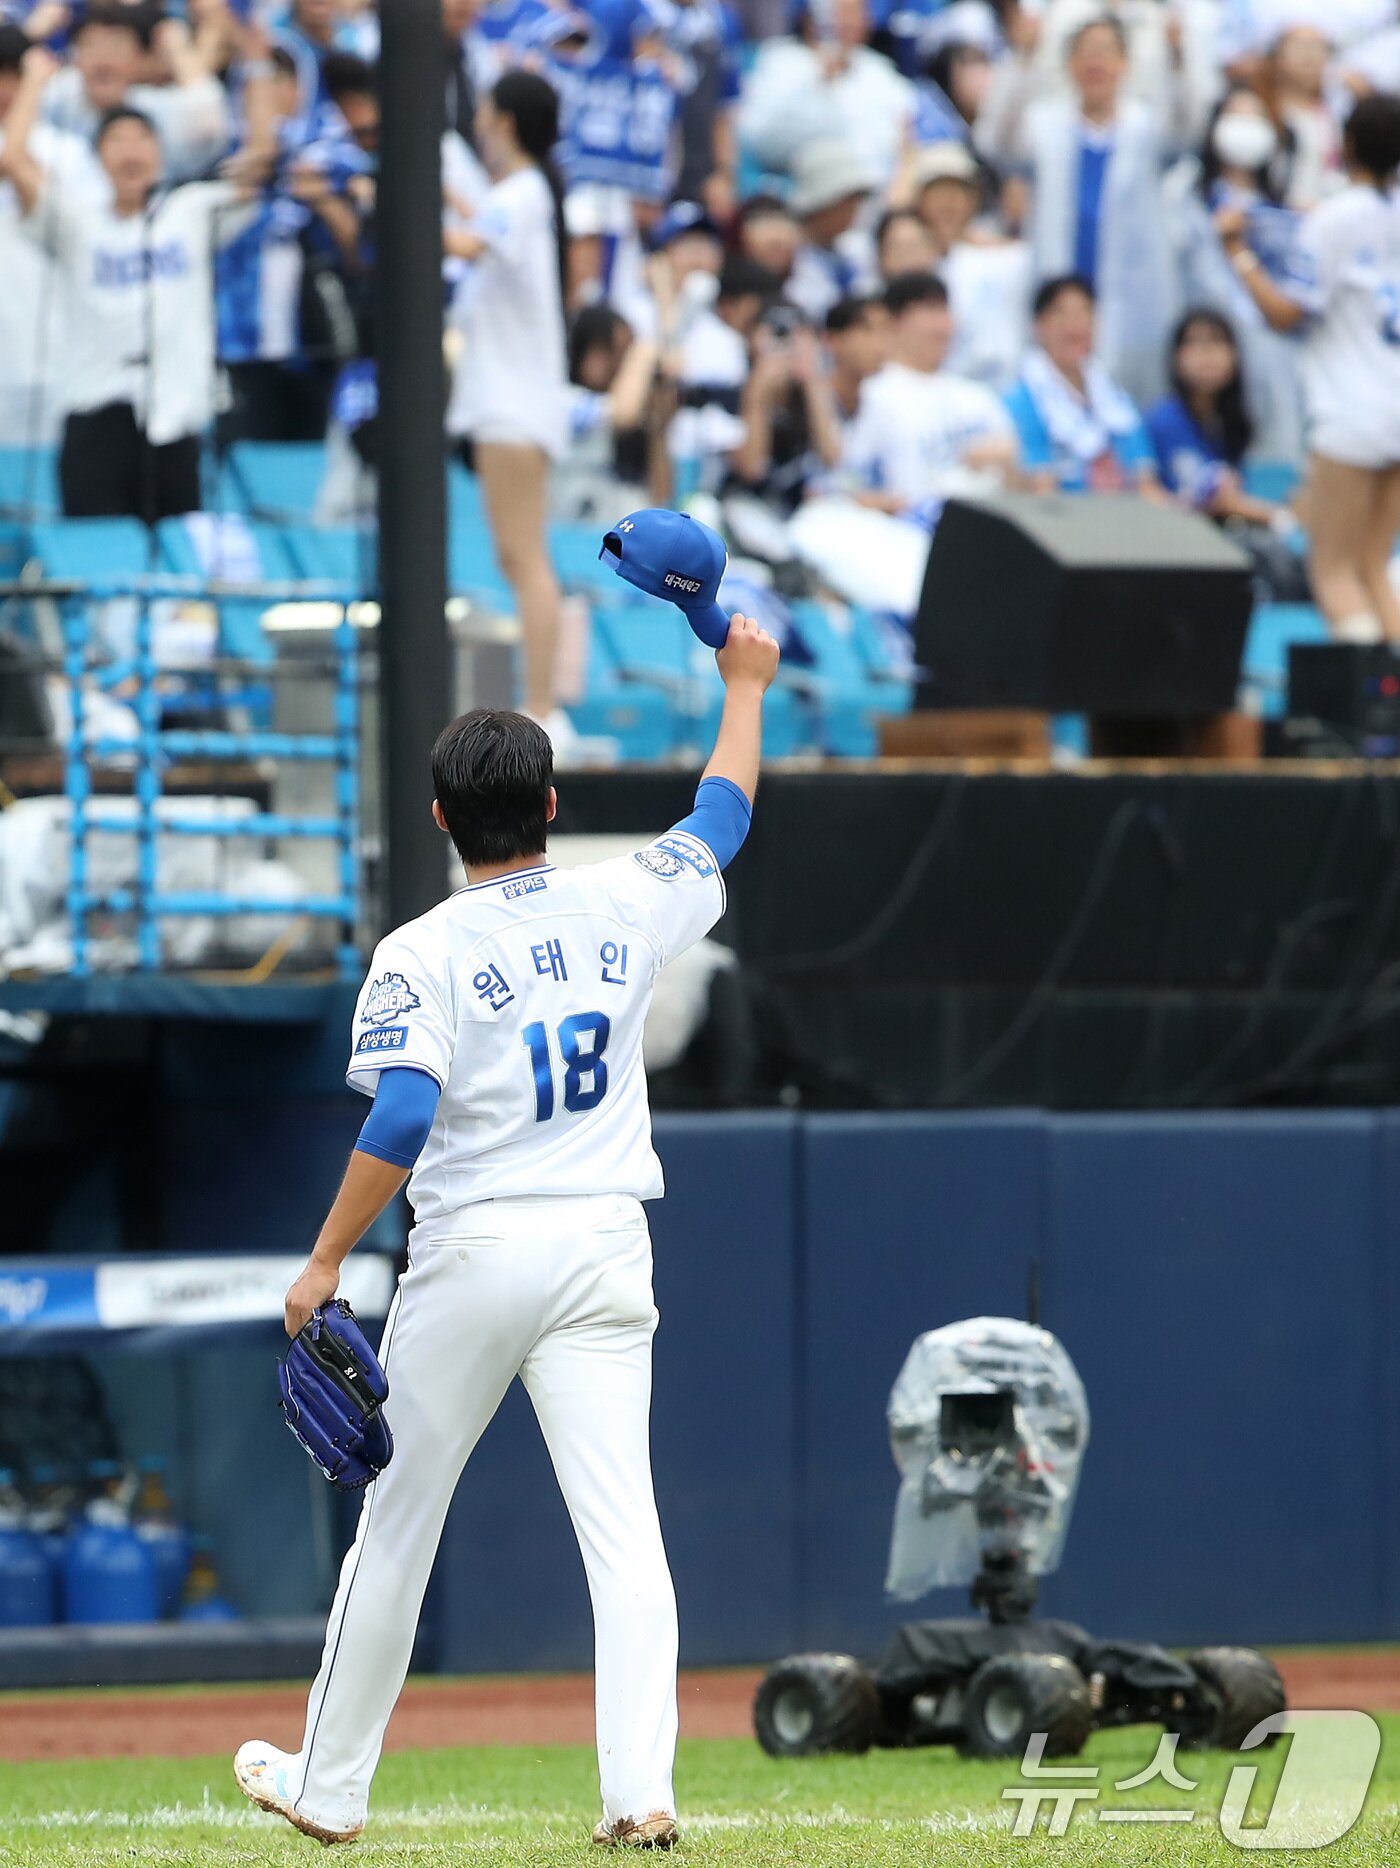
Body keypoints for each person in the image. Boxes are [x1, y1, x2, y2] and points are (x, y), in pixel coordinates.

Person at [232, 599, 781, 1851]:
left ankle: (329, 1788)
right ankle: (640, 1792)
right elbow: (721, 817)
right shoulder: (624, 897)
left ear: (438, 820)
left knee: (398, 1519)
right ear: (548, 804)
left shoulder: (419, 947)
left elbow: (405, 1110)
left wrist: (324, 1256)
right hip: (602, 1244)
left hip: (477, 1247)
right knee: (623, 1527)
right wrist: (741, 680)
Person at [1, 45, 257, 520]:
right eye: (116, 140)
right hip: (96, 412)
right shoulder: (79, 221)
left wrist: (257, 64)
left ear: (160, 153)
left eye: (142, 138)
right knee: (101, 554)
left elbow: (260, 166)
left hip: (173, 415)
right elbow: (13, 158)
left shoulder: (189, 211)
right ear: (98, 158)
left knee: (181, 563)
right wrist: (34, 81)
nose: (131, 150)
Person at [1222, 94, 1400, 640]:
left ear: (1345, 146)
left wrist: (1238, 253)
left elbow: (1285, 313)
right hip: (1394, 405)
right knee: (1374, 567)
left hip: (1349, 413)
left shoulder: (1335, 218)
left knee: (1332, 569)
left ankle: (1370, 712)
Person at [446, 69, 571, 739]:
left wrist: (400, 194)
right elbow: (474, 223)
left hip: (510, 404)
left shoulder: (521, 193)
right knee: (520, 557)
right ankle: (545, 705)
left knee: (524, 558)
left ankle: (545, 708)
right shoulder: (524, 195)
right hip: (517, 403)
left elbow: (466, 240)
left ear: (505, 122)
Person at [975, 14, 1178, 403]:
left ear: (1125, 63)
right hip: (1061, 277)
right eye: (1085, 53)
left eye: (1105, 52)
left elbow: (1189, 131)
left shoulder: (1147, 127)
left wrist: (1177, 56)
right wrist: (1023, 60)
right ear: (1068, 64)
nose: (1095, 63)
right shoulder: (1045, 123)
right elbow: (994, 144)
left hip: (1129, 292)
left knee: (1127, 396)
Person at [1166, 82, 1304, 463]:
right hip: (1207, 355)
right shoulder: (1187, 197)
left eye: (1255, 117)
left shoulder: (1282, 213)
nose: (1244, 127)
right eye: (1234, 116)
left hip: (1273, 360)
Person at [843, 270, 1017, 512]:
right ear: (895, 322)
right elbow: (851, 481)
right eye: (930, 310)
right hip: (912, 531)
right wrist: (882, 503)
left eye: (945, 310)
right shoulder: (877, 392)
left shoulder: (977, 396)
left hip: (984, 526)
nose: (943, 325)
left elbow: (1020, 482)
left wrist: (1006, 463)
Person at [1005, 274, 1160, 495]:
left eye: (1084, 311)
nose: (1074, 324)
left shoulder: (1117, 398)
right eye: (1062, 313)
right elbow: (1040, 489)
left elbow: (1145, 480)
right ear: (1038, 325)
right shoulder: (1019, 402)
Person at [739, 0, 916, 188]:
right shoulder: (779, 61)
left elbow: (907, 134)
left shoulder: (880, 69)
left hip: (880, 190)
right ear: (810, 15)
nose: (852, 21)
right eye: (842, 12)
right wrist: (819, 83)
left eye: (858, 12)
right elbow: (761, 141)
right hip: (807, 188)